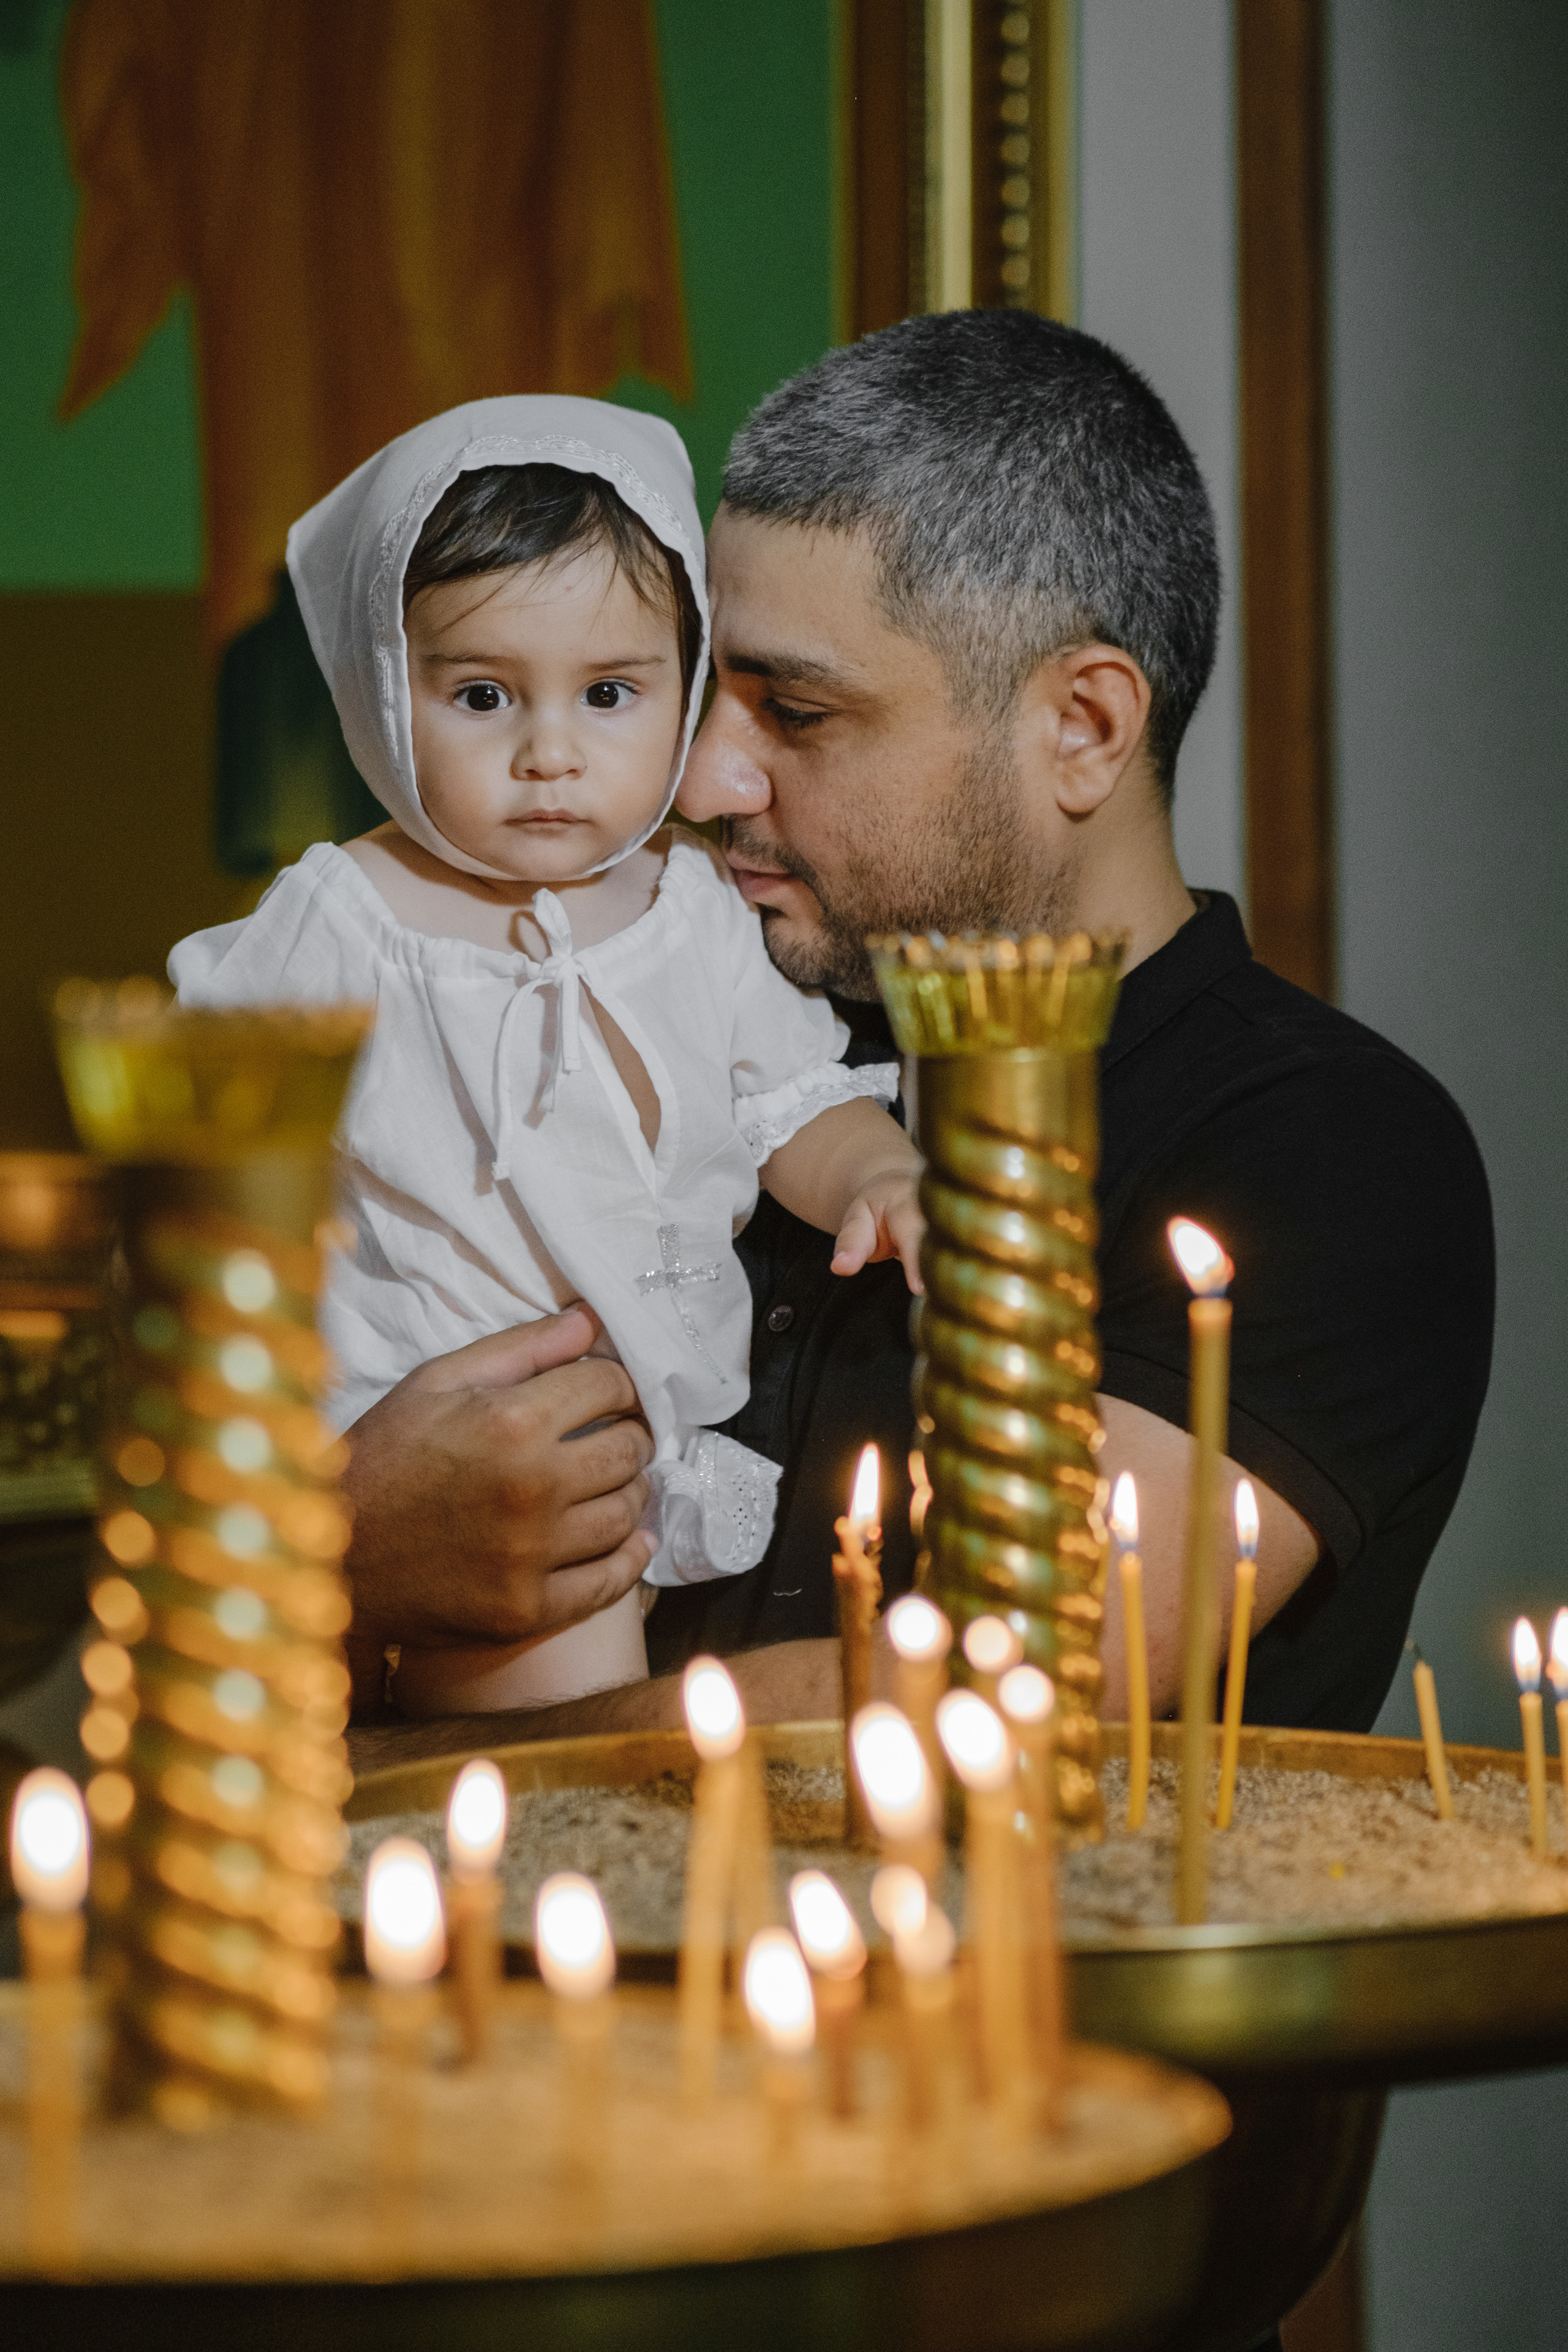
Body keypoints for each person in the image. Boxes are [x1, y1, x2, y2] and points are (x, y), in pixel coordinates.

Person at [337, 315, 1494, 1745]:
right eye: (705, 694)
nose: (702, 777)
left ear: (1080, 726)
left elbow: (974, 1705)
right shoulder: (665, 1017)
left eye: (798, 711)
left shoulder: (1325, 1152)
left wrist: (333, 1596)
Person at [169, 396, 922, 1717]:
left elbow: (793, 1101)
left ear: (680, 687)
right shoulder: (342, 921)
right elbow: (194, 1130)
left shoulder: (690, 911)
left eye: (611, 694)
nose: (549, 754)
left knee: (565, 1746)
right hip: (440, 1429)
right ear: (376, 694)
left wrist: (881, 1178)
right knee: (551, 1738)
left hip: (626, 1431)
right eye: (479, 695)